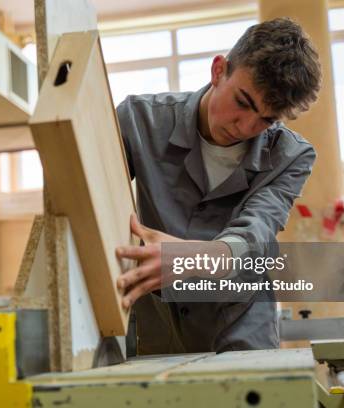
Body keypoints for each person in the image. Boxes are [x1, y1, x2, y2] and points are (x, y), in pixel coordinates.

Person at [114, 17, 321, 354]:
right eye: (243, 102)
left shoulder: (291, 156)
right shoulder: (138, 121)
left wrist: (191, 259)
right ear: (218, 70)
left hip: (242, 328)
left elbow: (255, 233)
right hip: (156, 327)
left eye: (267, 120)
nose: (246, 126)